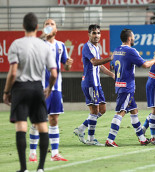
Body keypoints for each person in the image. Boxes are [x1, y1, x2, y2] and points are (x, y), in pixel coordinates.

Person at [3, 12, 57, 172]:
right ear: (37, 27)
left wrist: (6, 92)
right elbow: (54, 73)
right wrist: (50, 87)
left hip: (20, 88)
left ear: (23, 26)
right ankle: (40, 168)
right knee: (42, 127)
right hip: (37, 88)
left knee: (21, 127)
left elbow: (13, 73)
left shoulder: (16, 45)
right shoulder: (44, 46)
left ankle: (24, 168)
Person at [28, 18, 73, 162]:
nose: (49, 26)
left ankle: (54, 154)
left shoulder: (61, 46)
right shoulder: (38, 44)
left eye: (51, 24)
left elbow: (65, 67)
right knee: (37, 121)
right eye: (46, 24)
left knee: (53, 119)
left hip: (56, 89)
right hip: (40, 88)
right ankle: (32, 153)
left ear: (56, 29)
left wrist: (68, 64)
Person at [105, 29, 155, 147]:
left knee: (134, 111)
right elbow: (144, 65)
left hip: (119, 84)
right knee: (120, 112)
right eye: (133, 37)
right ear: (129, 38)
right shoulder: (131, 51)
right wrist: (154, 60)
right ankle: (110, 140)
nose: (134, 39)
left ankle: (142, 138)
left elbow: (113, 65)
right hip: (127, 87)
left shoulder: (117, 50)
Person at [73, 24, 115, 146]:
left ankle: (81, 129)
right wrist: (109, 58)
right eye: (94, 33)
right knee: (94, 110)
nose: (96, 35)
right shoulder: (87, 47)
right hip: (90, 83)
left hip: (96, 83)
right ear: (89, 34)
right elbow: (95, 62)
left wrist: (112, 75)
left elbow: (100, 66)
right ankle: (91, 139)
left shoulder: (96, 47)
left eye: (98, 33)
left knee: (102, 109)